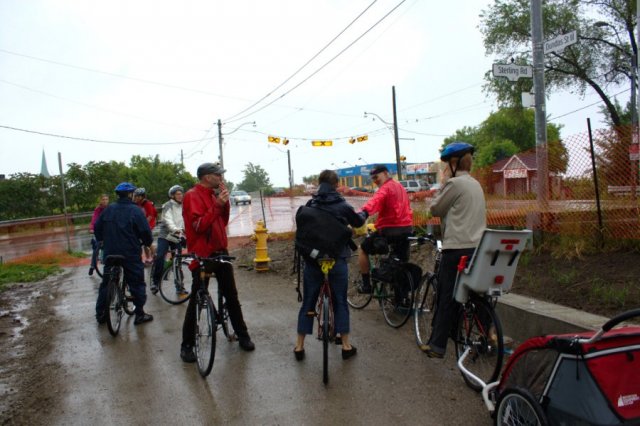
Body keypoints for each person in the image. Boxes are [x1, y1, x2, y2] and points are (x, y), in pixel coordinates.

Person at [179, 162, 255, 363]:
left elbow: (222, 220)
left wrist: (224, 202)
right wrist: (217, 205)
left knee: (232, 296)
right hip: (203, 254)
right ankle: (186, 345)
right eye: (217, 175)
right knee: (197, 298)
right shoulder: (192, 196)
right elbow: (199, 226)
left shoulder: (214, 195)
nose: (221, 178)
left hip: (221, 251)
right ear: (206, 177)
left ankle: (243, 335)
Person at [421, 142, 486, 358]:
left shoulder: (455, 183)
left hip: (457, 248)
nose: (445, 169)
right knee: (477, 295)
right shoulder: (475, 184)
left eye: (446, 165)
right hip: (479, 248)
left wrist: (443, 183)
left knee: (446, 296)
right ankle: (486, 336)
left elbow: (434, 209)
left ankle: (437, 345)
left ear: (454, 163)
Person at [293, 169, 365, 361]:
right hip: (337, 259)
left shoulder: (310, 204)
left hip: (314, 260)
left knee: (309, 301)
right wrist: (364, 213)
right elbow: (358, 223)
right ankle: (346, 346)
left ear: (319, 183)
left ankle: (299, 346)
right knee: (340, 300)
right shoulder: (343, 205)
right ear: (336, 184)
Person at [94, 182, 154, 325]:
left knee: (106, 282)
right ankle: (139, 314)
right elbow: (145, 231)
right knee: (137, 282)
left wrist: (102, 240)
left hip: (110, 252)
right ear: (130, 194)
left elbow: (97, 228)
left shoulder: (108, 210)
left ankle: (101, 314)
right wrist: (148, 242)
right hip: (130, 253)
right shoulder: (135, 211)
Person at [357, 164, 413, 293]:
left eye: (376, 177)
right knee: (401, 261)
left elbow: (375, 201)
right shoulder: (401, 187)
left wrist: (364, 213)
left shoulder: (385, 188)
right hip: (406, 230)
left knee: (363, 249)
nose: (375, 180)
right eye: (373, 178)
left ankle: (366, 286)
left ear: (386, 174)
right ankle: (401, 299)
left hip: (390, 230)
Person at [151, 185, 186, 295]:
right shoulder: (167, 205)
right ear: (172, 196)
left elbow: (186, 220)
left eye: (181, 194)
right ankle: (155, 282)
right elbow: (168, 220)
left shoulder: (184, 206)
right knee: (160, 256)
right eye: (178, 194)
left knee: (178, 261)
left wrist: (185, 233)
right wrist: (176, 230)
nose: (180, 196)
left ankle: (179, 286)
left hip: (177, 236)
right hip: (166, 235)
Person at [134, 188, 157, 264]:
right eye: (135, 196)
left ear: (142, 196)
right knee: (144, 243)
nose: (136, 198)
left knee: (148, 242)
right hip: (143, 224)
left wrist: (143, 224)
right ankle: (148, 258)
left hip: (150, 224)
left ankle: (155, 256)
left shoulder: (148, 204)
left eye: (138, 196)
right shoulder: (137, 204)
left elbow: (150, 216)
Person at [88, 193, 109, 276]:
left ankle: (108, 264)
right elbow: (94, 219)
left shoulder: (110, 208)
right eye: (103, 199)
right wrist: (92, 228)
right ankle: (92, 266)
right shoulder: (98, 210)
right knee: (96, 248)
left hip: (108, 231)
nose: (105, 201)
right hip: (99, 231)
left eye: (106, 199)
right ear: (100, 200)